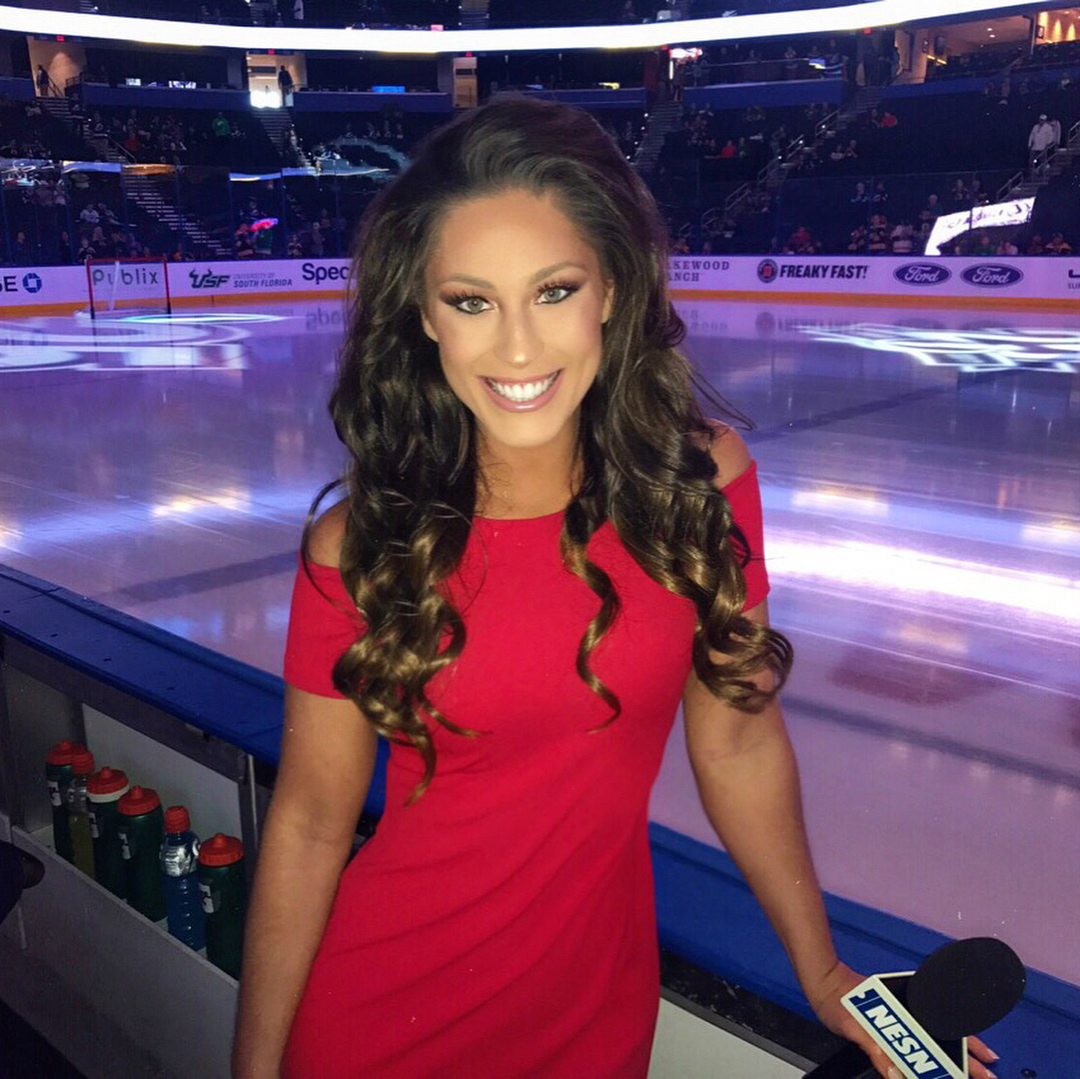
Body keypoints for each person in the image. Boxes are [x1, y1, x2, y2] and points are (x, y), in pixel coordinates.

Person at [230, 95, 1000, 1079]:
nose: (517, 348)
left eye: (553, 291)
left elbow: (738, 738)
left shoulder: (701, 486)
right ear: (424, 315)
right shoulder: (362, 546)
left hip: (593, 1009)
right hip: (382, 1017)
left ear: (613, 289)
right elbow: (308, 821)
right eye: (471, 301)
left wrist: (823, 973)